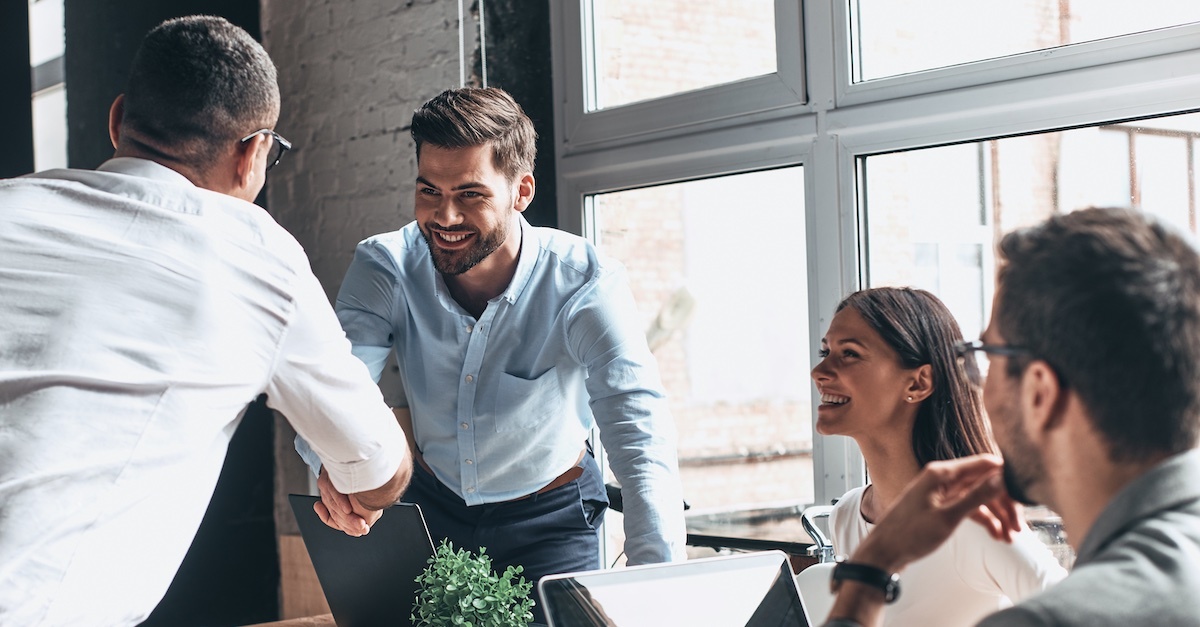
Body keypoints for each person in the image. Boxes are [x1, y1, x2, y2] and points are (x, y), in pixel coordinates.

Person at [0, 16, 412, 626]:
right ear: (253, 153)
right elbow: (378, 465)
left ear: (117, 121)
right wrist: (353, 481)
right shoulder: (254, 255)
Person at [296, 86, 687, 614]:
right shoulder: (385, 265)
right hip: (432, 506)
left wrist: (657, 588)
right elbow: (333, 386)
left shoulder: (583, 282)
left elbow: (638, 430)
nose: (445, 217)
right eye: (429, 190)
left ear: (521, 191)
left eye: (470, 194)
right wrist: (331, 468)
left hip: (550, 518)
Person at [822, 207, 1200, 627]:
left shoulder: (1051, 618)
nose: (973, 381)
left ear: (1040, 391)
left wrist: (872, 567)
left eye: (986, 355)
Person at [811, 287, 1065, 626]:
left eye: (850, 354)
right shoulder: (847, 514)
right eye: (825, 351)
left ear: (918, 383)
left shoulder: (974, 523)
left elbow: (1079, 615)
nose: (820, 371)